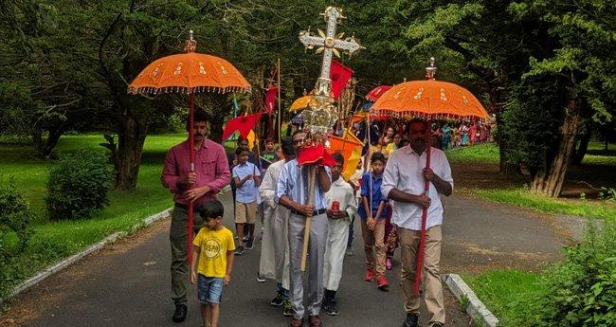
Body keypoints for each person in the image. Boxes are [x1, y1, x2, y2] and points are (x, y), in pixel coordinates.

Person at [382, 118, 453, 327]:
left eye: (423, 132)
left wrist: (434, 178)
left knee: (431, 268)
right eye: (415, 132)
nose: (419, 136)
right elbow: (386, 189)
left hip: (432, 220)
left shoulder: (438, 157)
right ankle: (412, 311)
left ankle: (437, 319)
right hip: (407, 221)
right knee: (409, 270)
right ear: (408, 134)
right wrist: (415, 199)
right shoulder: (397, 156)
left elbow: (448, 189)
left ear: (429, 133)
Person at [161, 111, 230, 323]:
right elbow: (165, 179)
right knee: (180, 257)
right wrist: (182, 180)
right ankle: (180, 302)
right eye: (195, 127)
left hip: (208, 210)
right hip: (183, 209)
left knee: (211, 254)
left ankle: (211, 297)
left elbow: (225, 176)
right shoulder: (176, 152)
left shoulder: (217, 150)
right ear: (188, 128)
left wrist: (204, 188)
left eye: (202, 127)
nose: (199, 131)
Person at [276, 130, 332, 327]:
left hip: (318, 218)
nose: (300, 144)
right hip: (297, 219)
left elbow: (326, 188)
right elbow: (279, 195)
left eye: (303, 140)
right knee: (296, 265)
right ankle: (298, 311)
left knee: (317, 264)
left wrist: (319, 167)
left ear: (309, 142)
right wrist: (298, 206)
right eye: (296, 141)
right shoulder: (288, 168)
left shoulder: (322, 164)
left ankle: (314, 310)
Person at [259, 139, 295, 317]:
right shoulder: (274, 168)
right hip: (279, 217)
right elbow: (264, 191)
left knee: (293, 257)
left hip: (298, 218)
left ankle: (291, 296)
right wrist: (280, 197)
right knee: (280, 256)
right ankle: (282, 290)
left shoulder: (304, 168)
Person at [190, 200, 235, 327]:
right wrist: (192, 270)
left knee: (214, 303)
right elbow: (196, 250)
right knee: (203, 302)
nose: (205, 223)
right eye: (204, 220)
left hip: (218, 275)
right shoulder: (203, 232)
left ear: (218, 219)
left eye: (207, 220)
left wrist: (228, 273)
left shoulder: (227, 235)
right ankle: (206, 323)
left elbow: (231, 253)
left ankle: (214, 325)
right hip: (203, 273)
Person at [322, 153, 357, 316]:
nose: (335, 169)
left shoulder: (347, 188)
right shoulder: (322, 185)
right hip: (323, 227)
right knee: (322, 261)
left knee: (335, 262)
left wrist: (343, 213)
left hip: (339, 229)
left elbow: (352, 207)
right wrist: (324, 212)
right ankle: (319, 293)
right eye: (332, 166)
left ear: (342, 168)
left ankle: (330, 296)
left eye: (338, 166)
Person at [358, 152, 390, 291]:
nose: (377, 167)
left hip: (381, 215)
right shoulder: (366, 176)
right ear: (371, 164)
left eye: (380, 165)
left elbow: (384, 200)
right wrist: (369, 217)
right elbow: (364, 196)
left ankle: (381, 274)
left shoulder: (386, 179)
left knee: (379, 244)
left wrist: (375, 219)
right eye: (375, 164)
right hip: (365, 214)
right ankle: (370, 267)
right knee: (367, 243)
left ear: (383, 166)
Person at [232, 146, 261, 254]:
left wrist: (256, 178)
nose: (245, 157)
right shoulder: (235, 169)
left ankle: (251, 236)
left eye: (246, 155)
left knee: (251, 221)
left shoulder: (253, 166)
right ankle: (240, 244)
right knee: (240, 222)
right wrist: (245, 178)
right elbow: (237, 185)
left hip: (251, 197)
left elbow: (259, 184)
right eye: (242, 155)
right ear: (238, 157)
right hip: (240, 198)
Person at [346, 158, 364, 256]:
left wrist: (352, 185)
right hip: (340, 203)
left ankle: (349, 245)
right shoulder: (345, 173)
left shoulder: (358, 173)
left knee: (350, 224)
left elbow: (355, 189)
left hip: (352, 202)